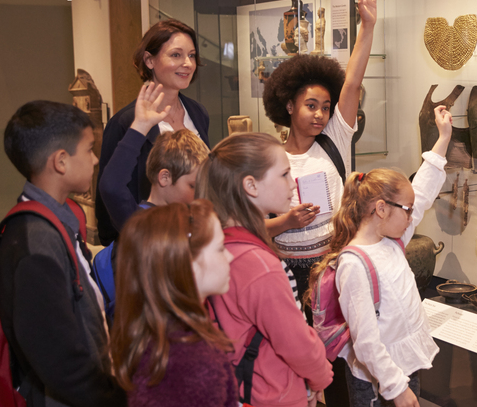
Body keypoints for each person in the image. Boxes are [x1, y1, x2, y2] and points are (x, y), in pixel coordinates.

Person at [307, 106, 452, 407]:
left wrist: (444, 137)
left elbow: (421, 193)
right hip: (377, 381)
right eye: (407, 210)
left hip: (404, 367)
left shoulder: (392, 239)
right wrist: (397, 388)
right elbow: (367, 341)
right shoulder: (354, 265)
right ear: (382, 209)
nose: (413, 216)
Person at [0, 100, 126, 406]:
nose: (95, 161)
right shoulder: (35, 244)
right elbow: (59, 361)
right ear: (61, 161)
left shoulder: (58, 222)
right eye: (90, 149)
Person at [196, 132, 332, 407]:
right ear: (251, 185)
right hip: (273, 393)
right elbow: (294, 340)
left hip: (245, 387)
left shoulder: (222, 246)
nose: (292, 184)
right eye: (283, 175)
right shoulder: (258, 264)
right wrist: (320, 377)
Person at [261, 0, 378, 294]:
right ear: (289, 105)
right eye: (310, 106)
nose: (319, 115)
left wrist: (367, 25)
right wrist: (287, 222)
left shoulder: (333, 140)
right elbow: (252, 226)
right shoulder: (270, 159)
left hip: (332, 265)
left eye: (325, 108)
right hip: (284, 273)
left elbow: (352, 83)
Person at [94, 81, 209, 319]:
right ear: (164, 178)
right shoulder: (142, 223)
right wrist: (141, 127)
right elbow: (112, 186)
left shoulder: (189, 218)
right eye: (192, 186)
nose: (199, 195)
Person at [111, 200, 237, 407]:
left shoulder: (152, 335)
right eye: (220, 248)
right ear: (189, 265)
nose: (230, 257)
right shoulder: (196, 365)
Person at [96, 19, 210, 246]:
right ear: (149, 60)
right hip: (151, 242)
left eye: (192, 55)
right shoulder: (125, 122)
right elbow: (109, 194)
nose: (187, 63)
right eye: (176, 55)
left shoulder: (197, 112)